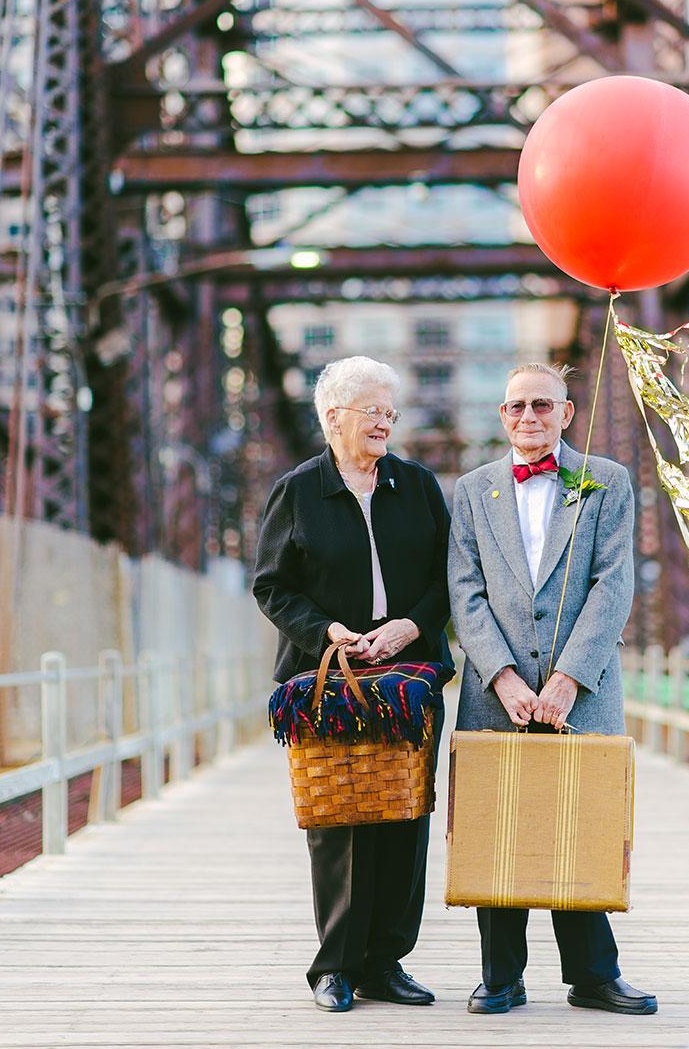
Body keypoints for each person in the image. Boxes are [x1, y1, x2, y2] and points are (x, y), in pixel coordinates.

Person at [448, 360, 657, 1017]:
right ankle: (500, 977)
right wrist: (503, 677)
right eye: (516, 407)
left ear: (568, 412)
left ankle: (594, 975)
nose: (529, 417)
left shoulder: (607, 482)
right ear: (502, 416)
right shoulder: (472, 489)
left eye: (543, 405)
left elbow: (612, 583)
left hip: (584, 689)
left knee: (582, 820)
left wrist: (568, 679)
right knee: (496, 824)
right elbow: (465, 591)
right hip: (495, 691)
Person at [253, 355, 453, 1013]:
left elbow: (446, 579)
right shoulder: (299, 490)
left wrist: (408, 627)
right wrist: (326, 631)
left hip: (408, 675)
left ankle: (385, 961)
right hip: (328, 678)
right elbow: (272, 586)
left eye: (391, 413)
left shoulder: (417, 486)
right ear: (333, 416)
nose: (385, 423)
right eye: (374, 411)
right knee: (338, 818)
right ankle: (334, 966)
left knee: (403, 813)